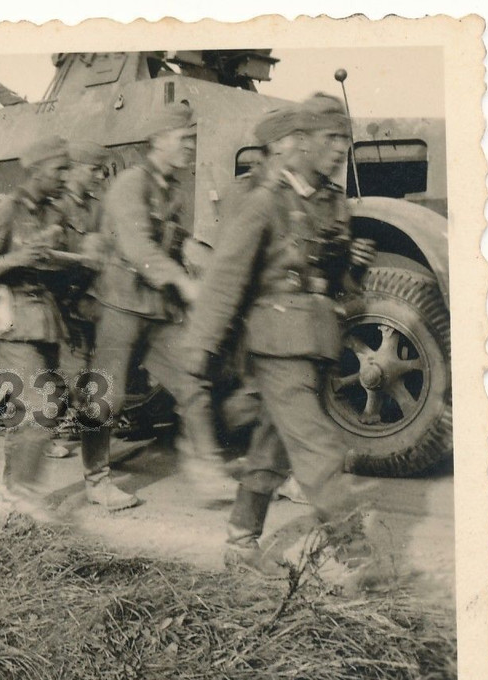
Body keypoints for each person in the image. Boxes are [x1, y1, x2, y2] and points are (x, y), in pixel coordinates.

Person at [182, 94, 377, 567]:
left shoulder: (332, 204)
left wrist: (348, 266)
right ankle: (357, 556)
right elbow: (227, 277)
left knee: (273, 445)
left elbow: (339, 288)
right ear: (302, 143)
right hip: (276, 343)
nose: (338, 150)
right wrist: (199, 348)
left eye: (344, 140)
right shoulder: (263, 201)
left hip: (315, 341)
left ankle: (240, 541)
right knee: (317, 448)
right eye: (331, 139)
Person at [84, 104, 225, 511]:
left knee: (192, 379)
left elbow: (170, 236)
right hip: (121, 304)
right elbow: (137, 246)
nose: (191, 147)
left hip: (157, 310)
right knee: (106, 394)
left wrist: (198, 255)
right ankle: (96, 480)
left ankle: (208, 467)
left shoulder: (170, 188)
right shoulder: (131, 184)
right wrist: (181, 280)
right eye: (184, 140)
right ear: (159, 141)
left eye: (192, 139)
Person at [0, 134, 75, 522]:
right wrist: (17, 257)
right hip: (12, 324)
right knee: (40, 407)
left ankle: (13, 494)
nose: (64, 176)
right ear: (38, 170)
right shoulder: (8, 211)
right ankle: (24, 495)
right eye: (59, 169)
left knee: (31, 408)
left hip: (45, 322)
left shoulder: (52, 212)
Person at [52, 140, 111, 464]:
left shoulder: (96, 207)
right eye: (93, 169)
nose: (100, 176)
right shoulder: (55, 207)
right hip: (60, 303)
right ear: (74, 170)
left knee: (85, 372)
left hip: (87, 300)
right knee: (70, 374)